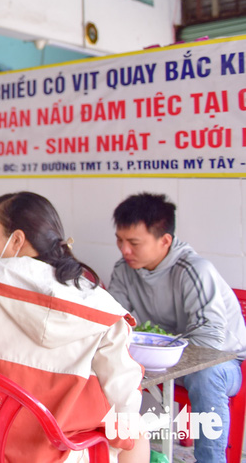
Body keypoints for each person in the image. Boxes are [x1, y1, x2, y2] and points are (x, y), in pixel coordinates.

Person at [0, 192, 149, 463]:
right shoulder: (103, 308)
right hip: (59, 452)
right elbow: (124, 397)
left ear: (16, 239)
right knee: (136, 432)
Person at [108, 192, 246, 463]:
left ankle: (210, 459)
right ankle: (131, 452)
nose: (124, 250)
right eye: (120, 240)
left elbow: (210, 340)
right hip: (165, 358)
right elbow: (114, 319)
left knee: (205, 375)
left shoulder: (193, 270)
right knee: (111, 364)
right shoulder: (124, 270)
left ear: (165, 240)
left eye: (134, 243)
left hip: (225, 364)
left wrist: (157, 356)